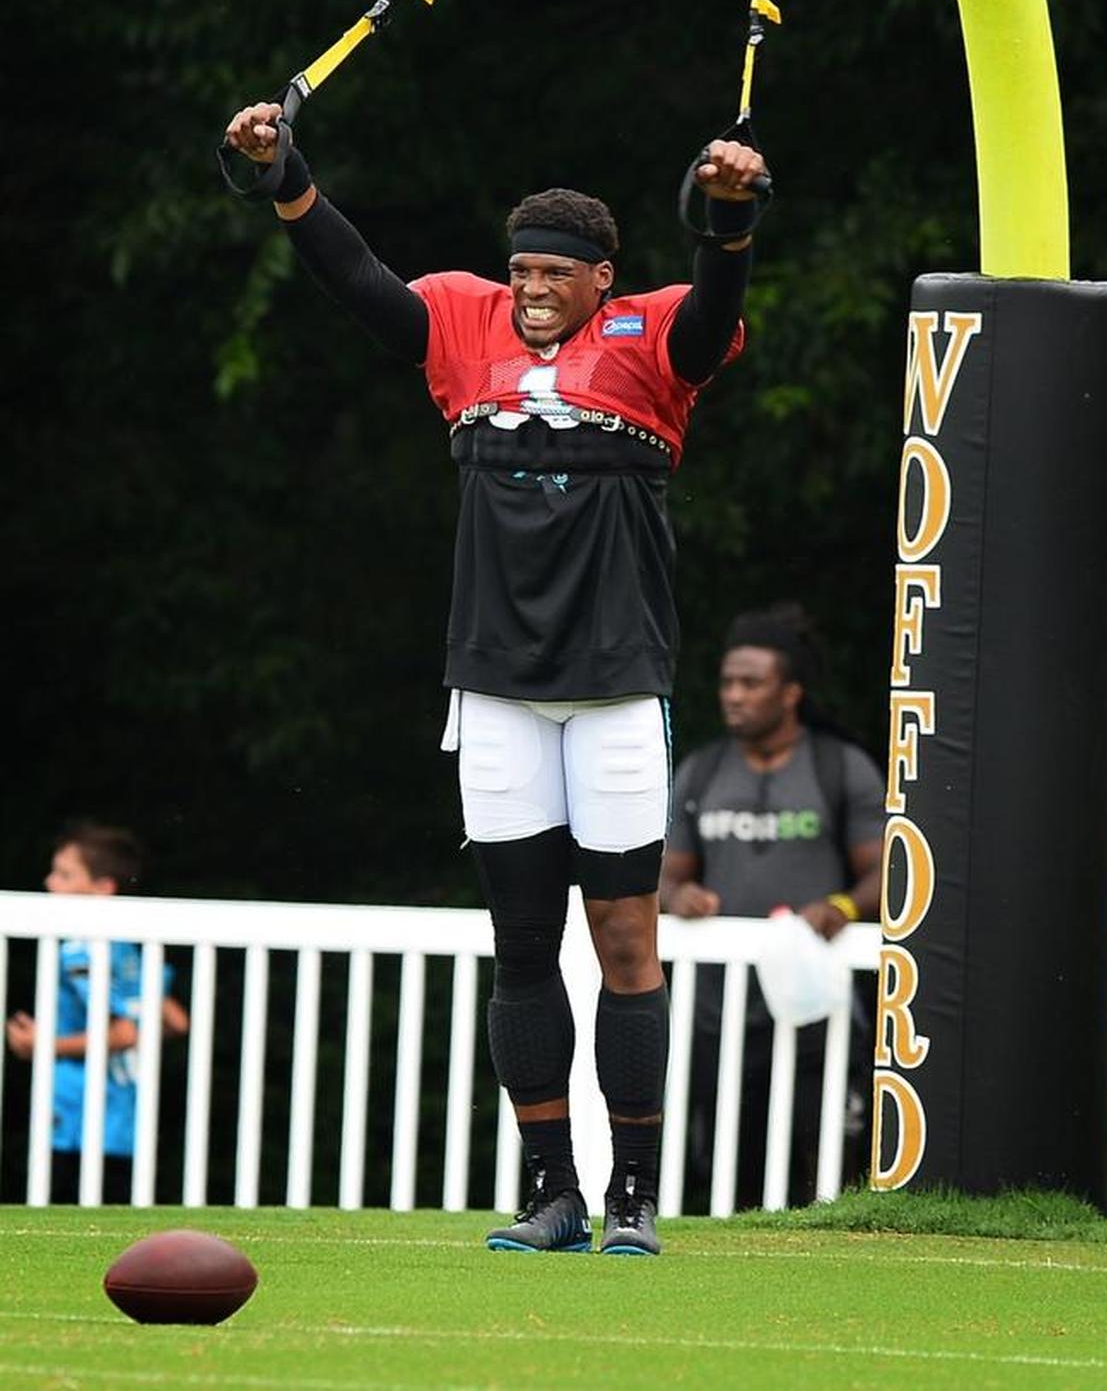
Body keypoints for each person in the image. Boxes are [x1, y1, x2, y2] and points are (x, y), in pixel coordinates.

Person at [223, 99, 765, 1254]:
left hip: (617, 684)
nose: (528, 285)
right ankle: (551, 1188)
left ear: (601, 278)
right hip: (496, 686)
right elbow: (356, 275)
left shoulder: (650, 339)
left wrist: (728, 221)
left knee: (624, 934)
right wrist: (283, 173)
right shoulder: (464, 326)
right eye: (519, 266)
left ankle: (631, 1194)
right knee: (521, 943)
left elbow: (716, 308)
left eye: (552, 271)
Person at [661, 604, 885, 1209]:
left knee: (828, 1164)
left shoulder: (840, 768)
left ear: (791, 693)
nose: (733, 695)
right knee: (727, 1167)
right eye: (728, 681)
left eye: (751, 683)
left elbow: (887, 873)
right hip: (721, 1010)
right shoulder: (702, 772)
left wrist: (841, 904)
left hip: (816, 1010)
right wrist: (679, 896)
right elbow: (663, 878)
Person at [5, 822, 189, 1203]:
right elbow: (175, 1022)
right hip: (122, 1116)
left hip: (76, 1114)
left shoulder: (80, 951)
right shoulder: (123, 949)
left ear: (103, 888)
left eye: (65, 875)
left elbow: (124, 1034)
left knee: (56, 1221)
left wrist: (47, 1045)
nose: (49, 882)